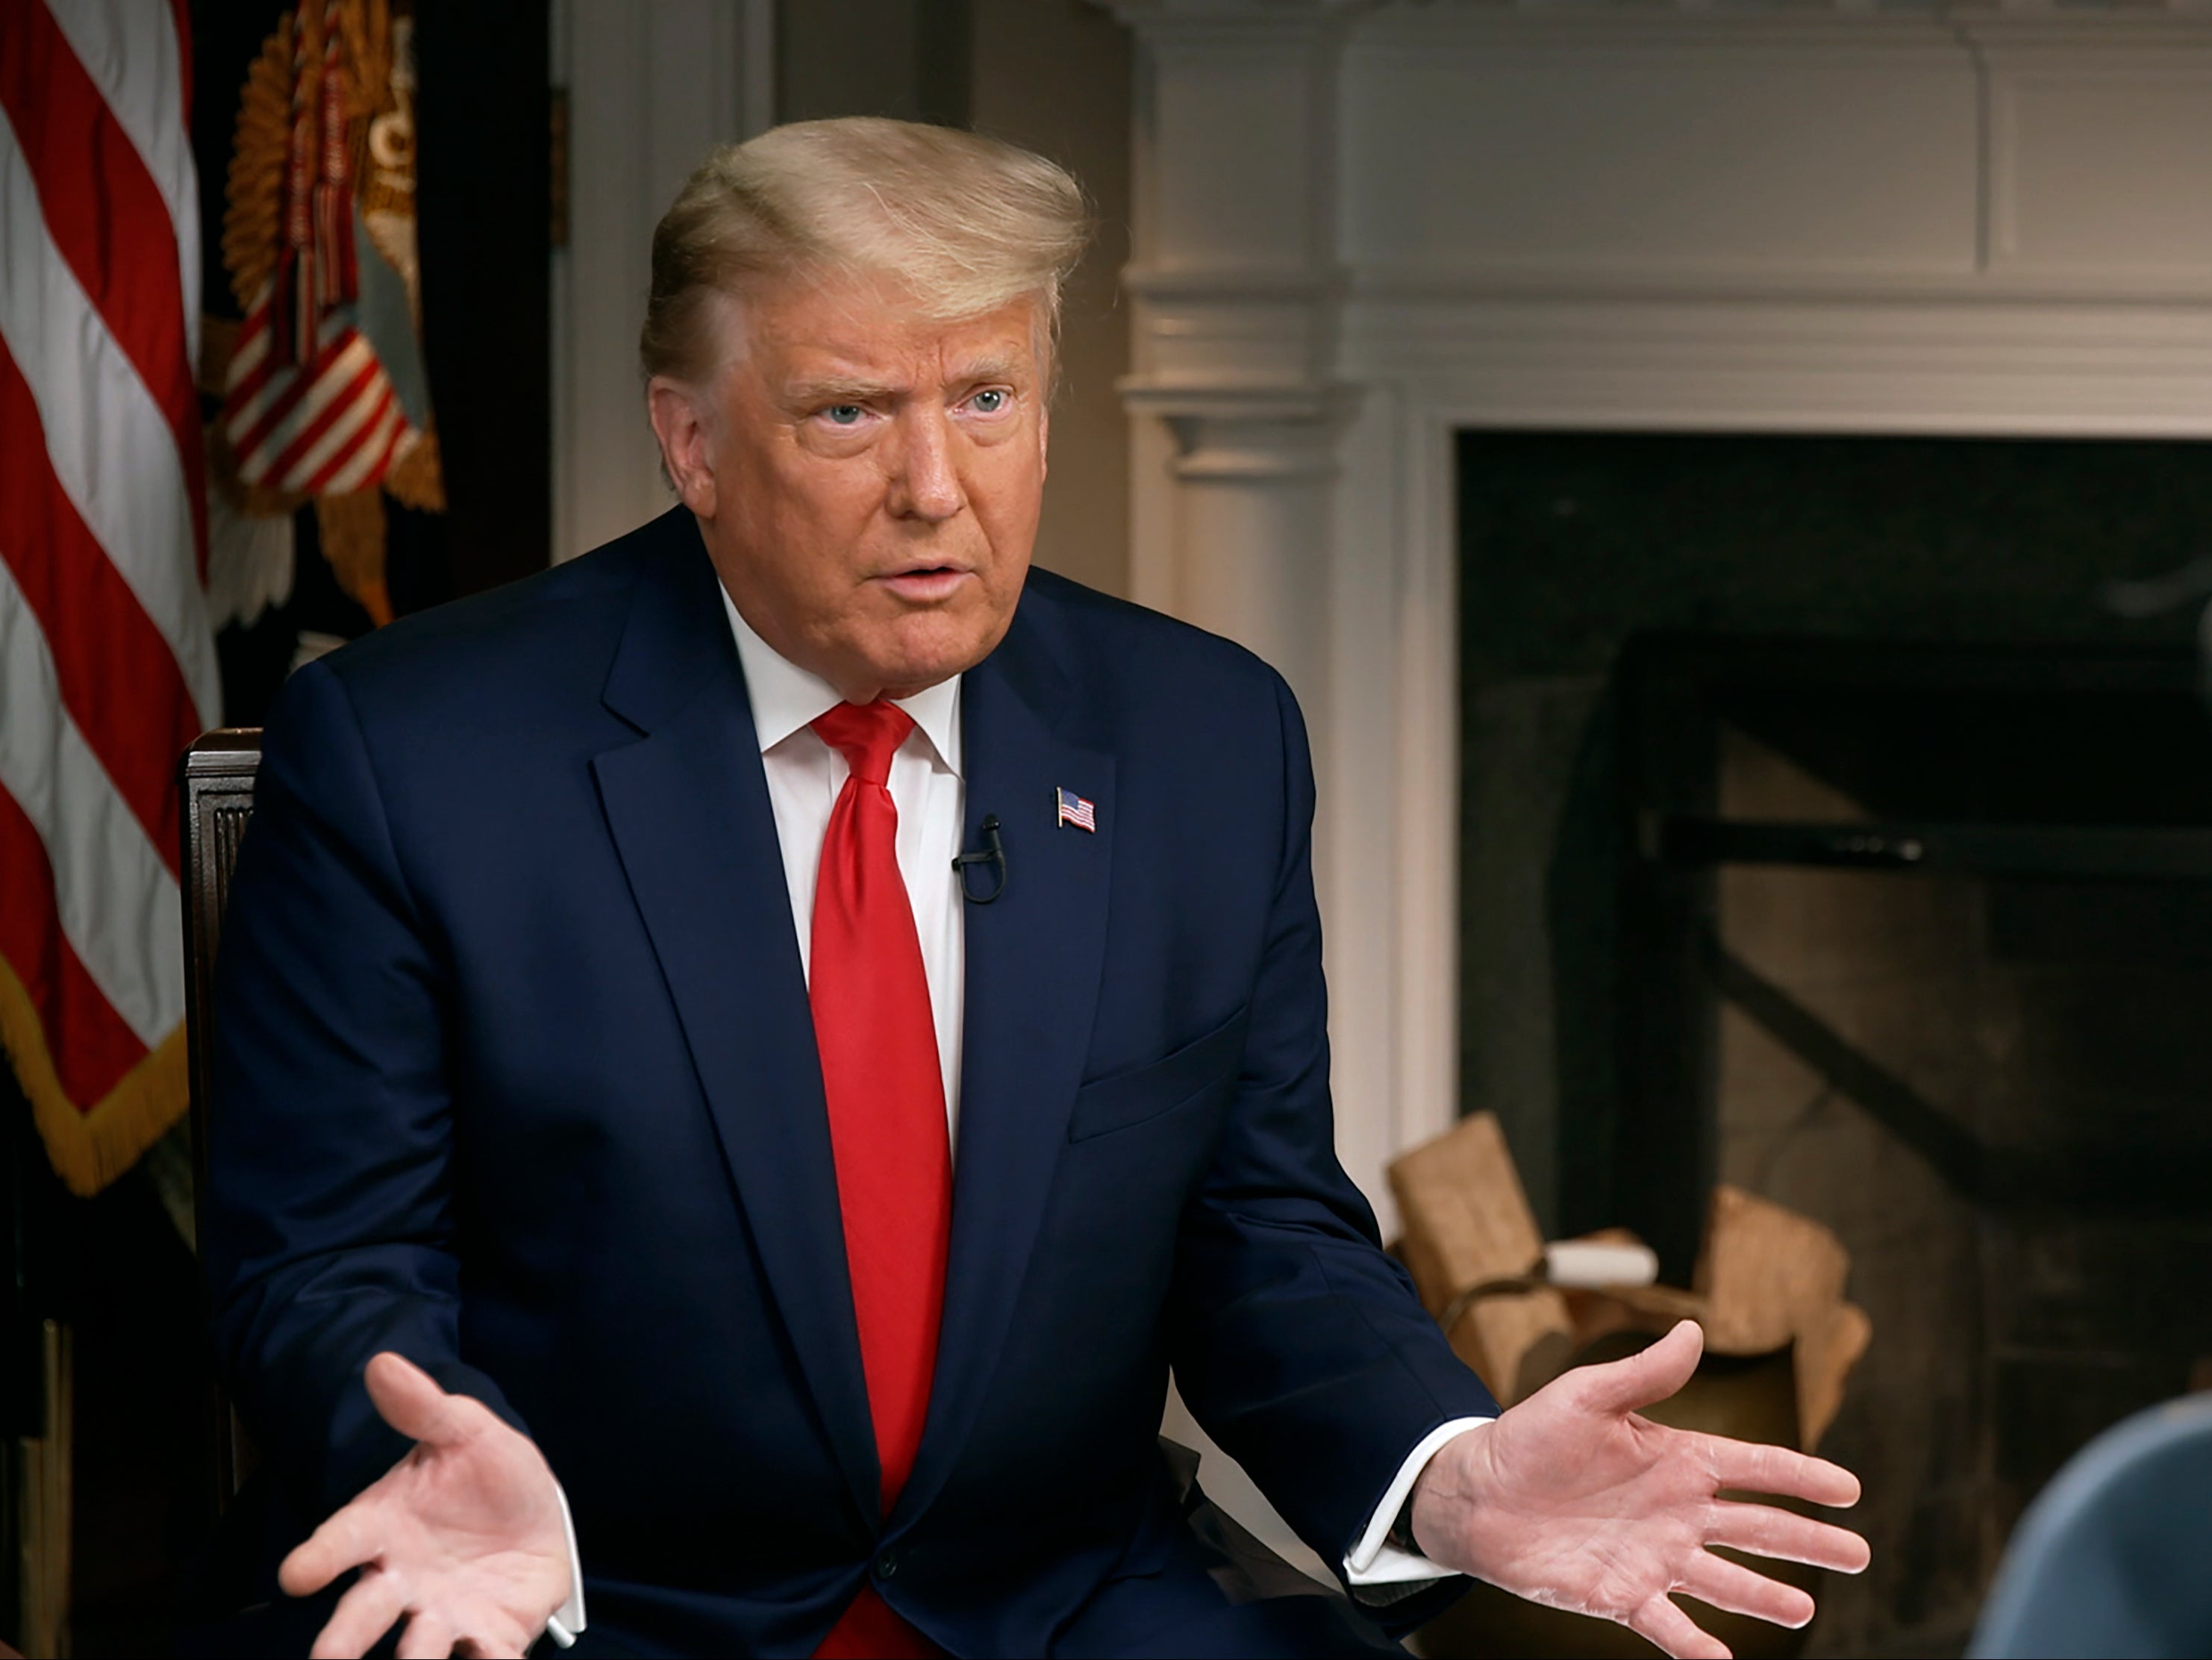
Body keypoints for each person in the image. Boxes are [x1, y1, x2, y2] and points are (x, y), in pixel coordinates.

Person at [203, 119, 1868, 1659]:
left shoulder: (1203, 736)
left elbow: (1260, 1225)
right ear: (690, 439)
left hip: (1059, 1592)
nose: (940, 487)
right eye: (850, 411)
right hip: (581, 1584)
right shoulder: (418, 750)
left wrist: (1442, 1466)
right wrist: (428, 1446)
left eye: (987, 397)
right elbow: (329, 1252)